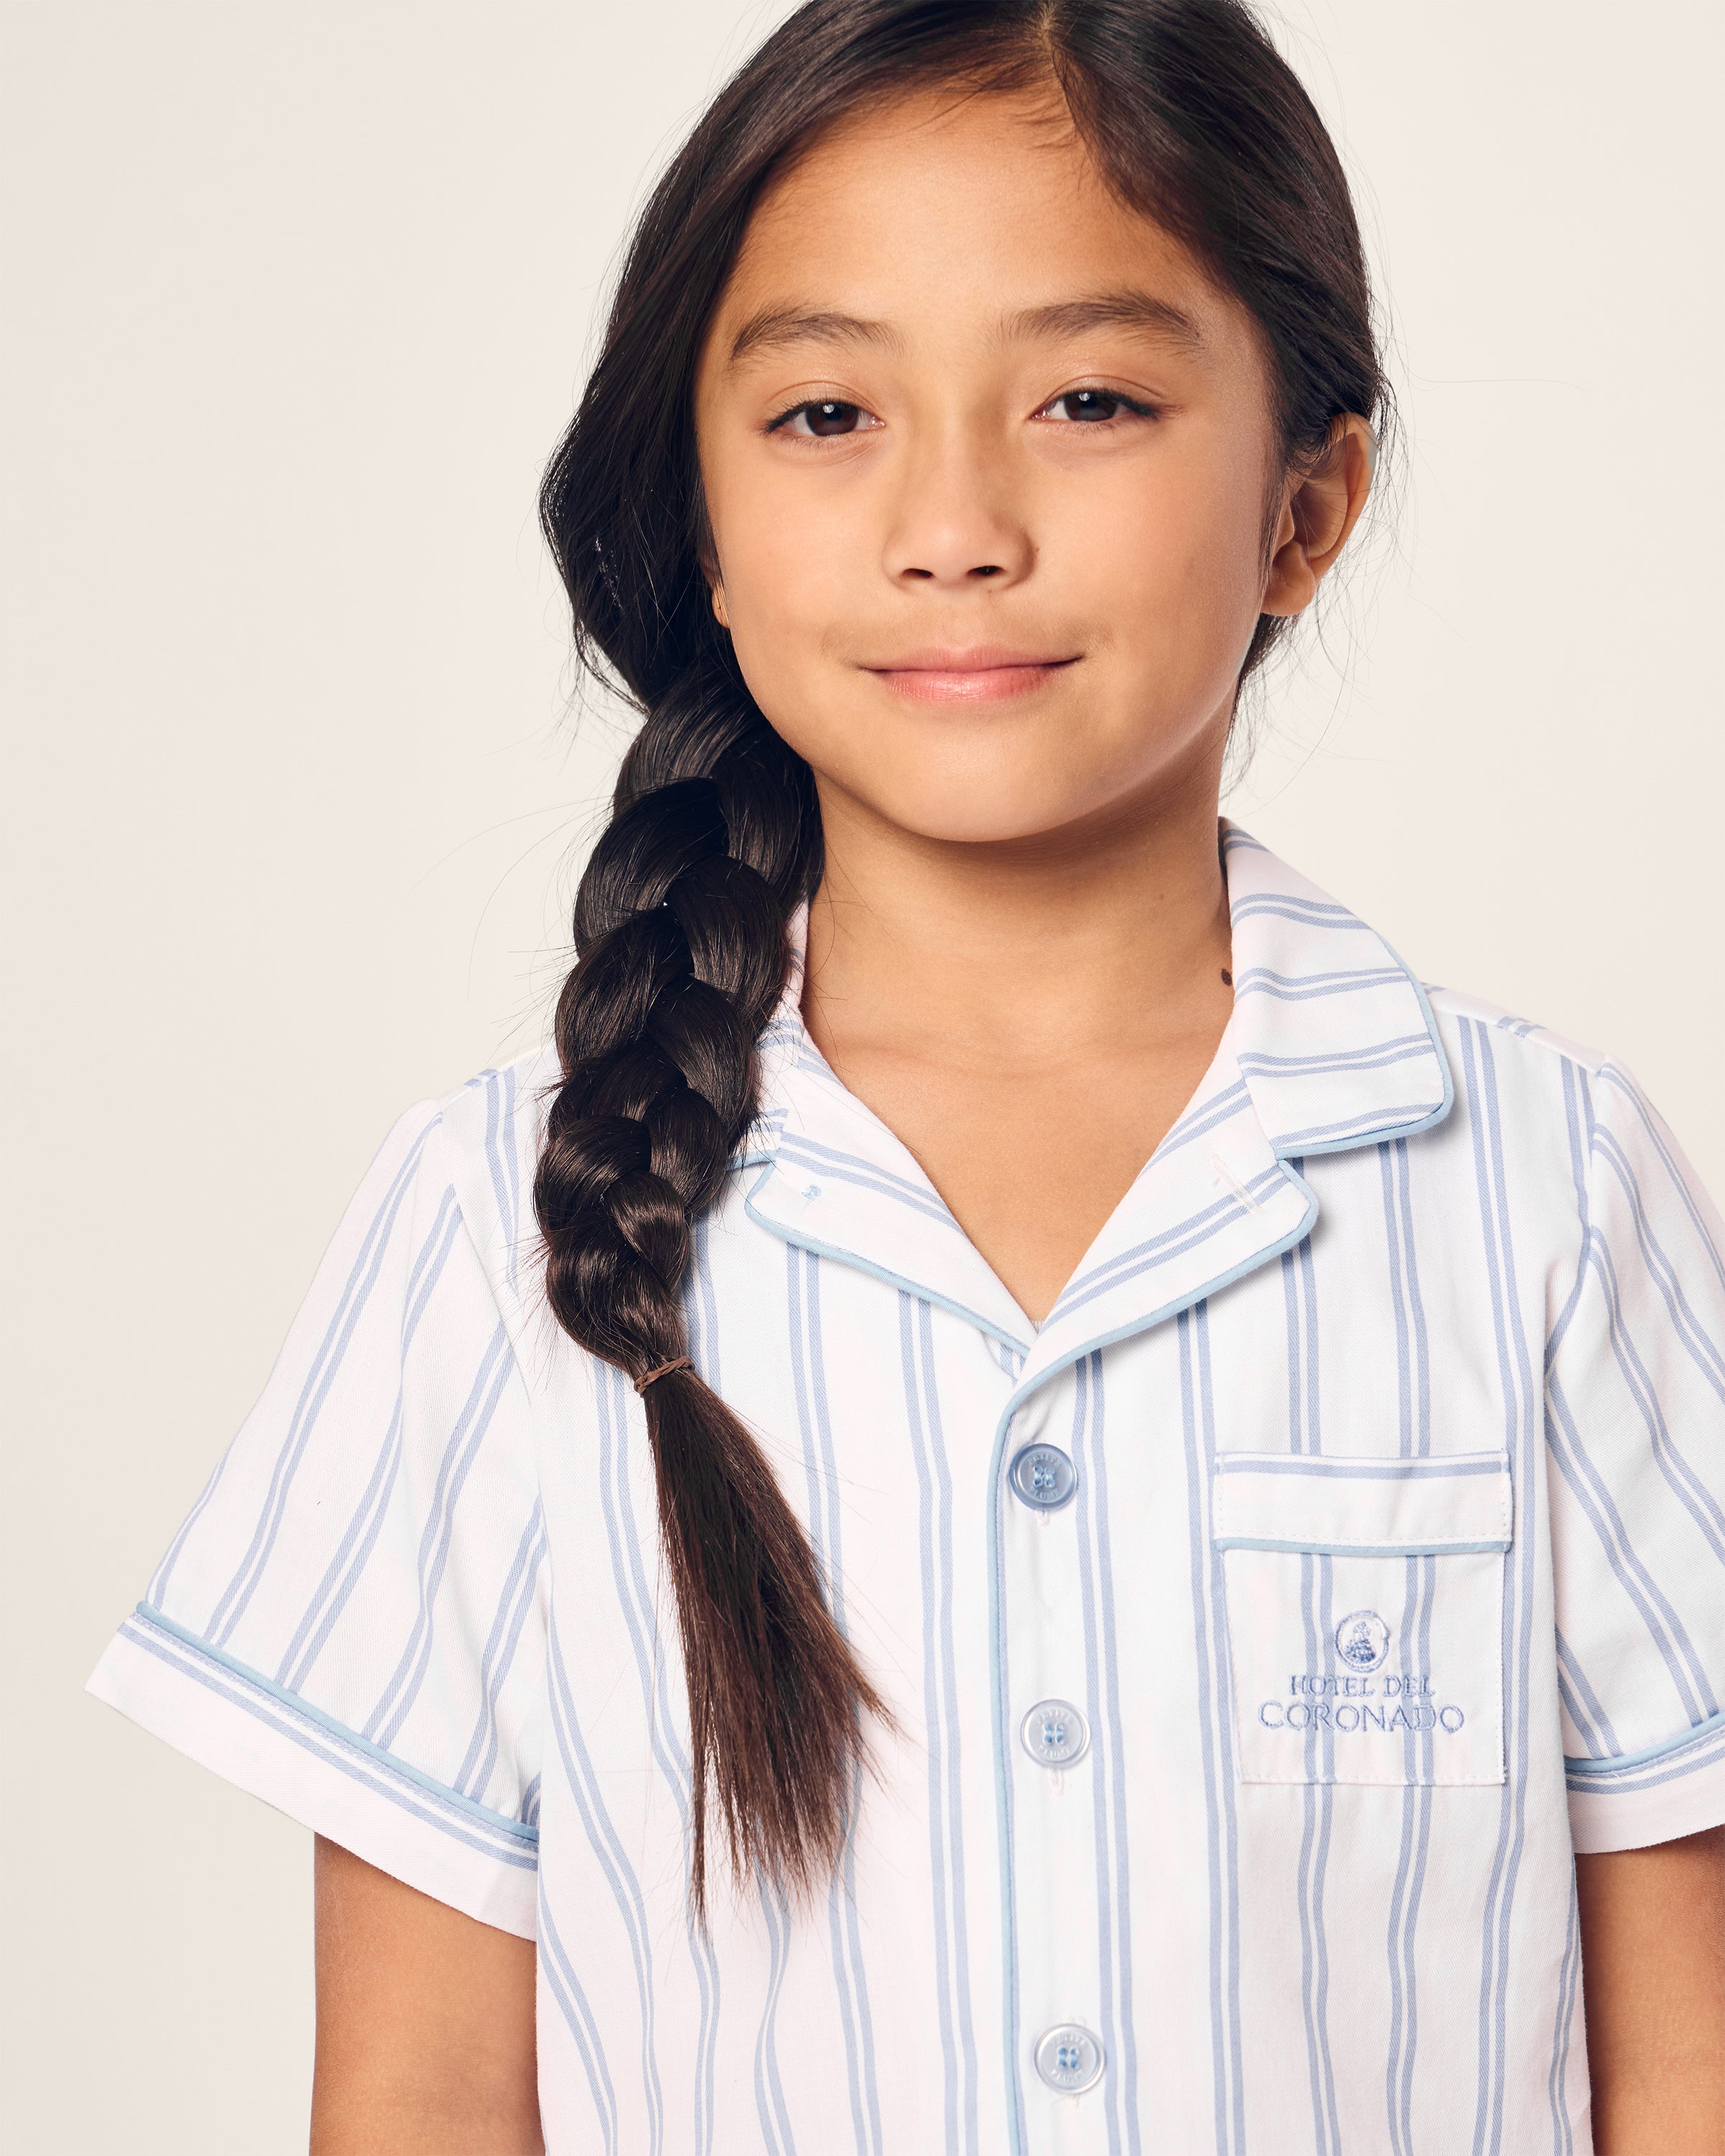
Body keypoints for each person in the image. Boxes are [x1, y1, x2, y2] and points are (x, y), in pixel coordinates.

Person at [88, 1, 1725, 2149]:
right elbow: (411, 2096)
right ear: (699, 514)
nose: (954, 522)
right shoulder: (488, 1231)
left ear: (1306, 506)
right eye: (830, 410)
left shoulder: (1544, 1188)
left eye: (1089, 397)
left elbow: (1685, 2059)